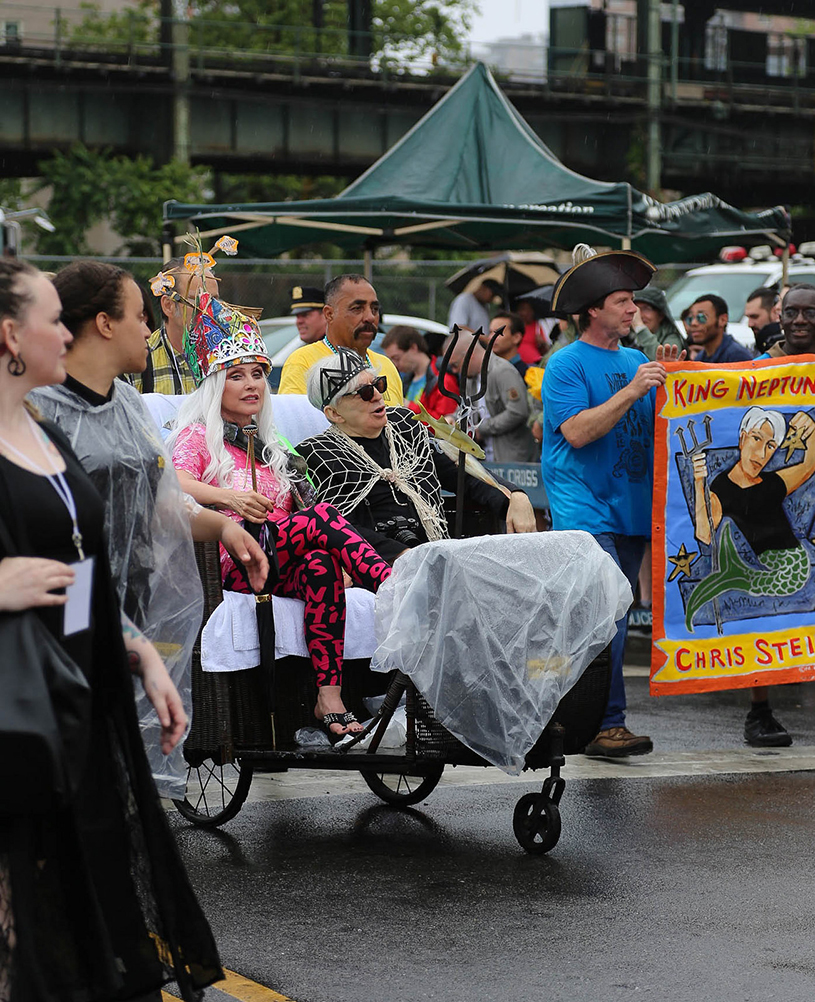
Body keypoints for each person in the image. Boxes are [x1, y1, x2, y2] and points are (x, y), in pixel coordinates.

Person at [0, 258, 222, 1000]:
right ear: (10, 334)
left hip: (77, 695)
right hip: (13, 708)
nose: (62, 330)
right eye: (47, 317)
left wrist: (133, 650)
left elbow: (81, 567)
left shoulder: (45, 439)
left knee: (90, 891)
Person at [30, 260, 269, 796]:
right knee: (71, 753)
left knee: (120, 764)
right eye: (140, 315)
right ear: (104, 324)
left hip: (130, 602)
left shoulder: (131, 405)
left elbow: (164, 503)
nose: (149, 328)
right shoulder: (37, 410)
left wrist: (224, 528)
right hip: (65, 607)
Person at [170, 288, 392, 740]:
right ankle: (392, 586)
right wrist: (227, 499)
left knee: (322, 563)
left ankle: (328, 698)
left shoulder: (274, 444)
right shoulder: (197, 435)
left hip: (281, 559)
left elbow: (307, 505)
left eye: (257, 374)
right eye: (237, 376)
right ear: (215, 384)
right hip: (231, 561)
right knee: (324, 520)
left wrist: (340, 556)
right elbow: (170, 484)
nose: (252, 384)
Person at [542, 247, 680, 758]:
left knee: (607, 616)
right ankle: (605, 723)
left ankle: (581, 719)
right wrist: (633, 391)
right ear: (593, 310)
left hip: (632, 507)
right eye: (623, 302)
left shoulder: (638, 359)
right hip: (585, 508)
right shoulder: (565, 364)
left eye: (634, 302)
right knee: (610, 616)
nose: (634, 311)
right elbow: (577, 432)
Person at [297, 349, 536, 563]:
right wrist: (403, 556)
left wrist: (512, 495)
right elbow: (339, 527)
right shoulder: (319, 454)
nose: (378, 396)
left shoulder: (405, 428)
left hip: (436, 554)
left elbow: (458, 471)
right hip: (379, 570)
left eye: (379, 385)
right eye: (365, 392)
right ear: (334, 413)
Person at [690, 405, 815, 747]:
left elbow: (807, 465)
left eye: (771, 446)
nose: (762, 452)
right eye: (757, 439)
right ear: (742, 436)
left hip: (794, 567)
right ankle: (760, 709)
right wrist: (700, 482)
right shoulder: (721, 488)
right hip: (771, 574)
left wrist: (811, 430)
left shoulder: (772, 483)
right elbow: (704, 533)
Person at [278, 274, 403, 405]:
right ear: (329, 314)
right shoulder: (303, 362)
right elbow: (296, 422)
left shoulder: (386, 365)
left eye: (374, 309)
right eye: (357, 308)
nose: (370, 317)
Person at [127, 255, 220, 394]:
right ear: (168, 305)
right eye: (197, 301)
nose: (209, 310)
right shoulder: (140, 360)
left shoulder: (228, 354)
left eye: (214, 300)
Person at [446, 328, 535, 462]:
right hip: (488, 457)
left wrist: (482, 429)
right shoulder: (471, 377)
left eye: (455, 364)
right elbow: (466, 406)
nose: (454, 370)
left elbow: (518, 412)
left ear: (469, 355)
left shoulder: (502, 371)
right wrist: (453, 418)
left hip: (511, 459)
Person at [380, 324, 458, 418]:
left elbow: (446, 425)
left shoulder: (444, 380)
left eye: (396, 358)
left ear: (413, 347)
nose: (394, 364)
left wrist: (409, 407)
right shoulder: (406, 378)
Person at [686, 294, 753, 363]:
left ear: (722, 320)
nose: (693, 323)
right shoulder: (700, 358)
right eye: (690, 319)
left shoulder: (737, 356)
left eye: (701, 317)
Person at [757, 284, 815, 359]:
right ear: (781, 321)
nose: (799, 320)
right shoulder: (759, 367)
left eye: (810, 313)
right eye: (790, 313)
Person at [630, 285, 686, 360]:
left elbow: (663, 361)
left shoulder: (671, 338)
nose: (639, 315)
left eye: (646, 309)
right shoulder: (625, 336)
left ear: (661, 315)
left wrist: (640, 328)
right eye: (636, 308)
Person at [513, 297, 557, 365]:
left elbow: (547, 352)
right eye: (519, 309)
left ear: (532, 311)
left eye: (523, 309)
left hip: (535, 364)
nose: (520, 313)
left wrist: (542, 344)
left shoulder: (538, 327)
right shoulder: (514, 327)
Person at [484, 312, 528, 377]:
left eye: (498, 333)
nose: (491, 337)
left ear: (516, 338)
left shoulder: (526, 375)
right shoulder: (485, 370)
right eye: (490, 332)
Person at [744, 286, 782, 354]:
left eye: (754, 317)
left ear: (775, 313)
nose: (750, 324)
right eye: (748, 317)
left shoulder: (785, 349)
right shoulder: (752, 351)